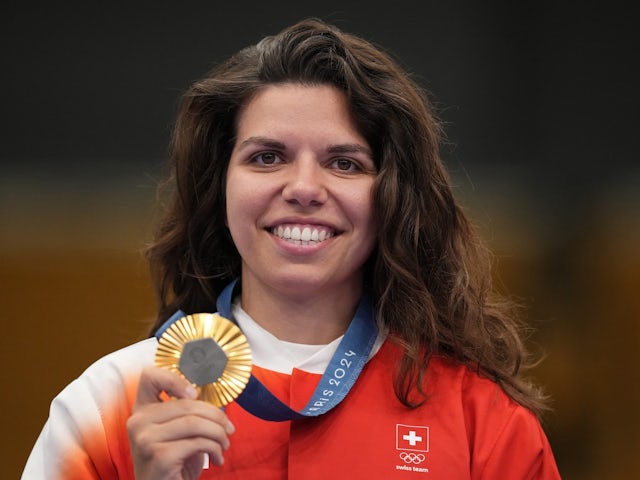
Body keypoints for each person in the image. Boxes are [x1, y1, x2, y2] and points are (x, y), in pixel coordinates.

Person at [22, 18, 561, 479]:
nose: (304, 188)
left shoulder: (481, 419)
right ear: (221, 185)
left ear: (392, 196)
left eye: (344, 162)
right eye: (267, 157)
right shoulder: (109, 403)